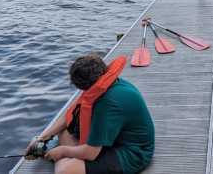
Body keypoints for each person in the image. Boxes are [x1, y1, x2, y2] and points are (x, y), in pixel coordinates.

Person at [25, 54, 154, 174]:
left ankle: (68, 158)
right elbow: (70, 115)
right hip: (113, 138)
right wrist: (42, 138)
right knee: (64, 131)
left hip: (133, 152)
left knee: (64, 170)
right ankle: (72, 156)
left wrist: (62, 151)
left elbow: (91, 153)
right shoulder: (107, 82)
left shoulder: (108, 103)